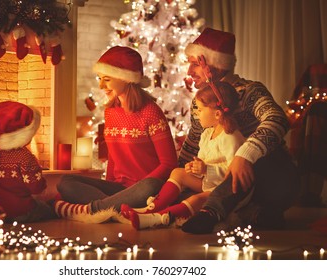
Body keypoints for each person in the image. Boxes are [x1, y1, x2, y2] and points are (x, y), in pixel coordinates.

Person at [178, 28, 300, 234]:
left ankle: (212, 213)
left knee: (247, 165)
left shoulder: (251, 90)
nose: (189, 71)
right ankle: (253, 214)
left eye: (195, 64)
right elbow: (193, 144)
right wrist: (178, 177)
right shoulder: (200, 101)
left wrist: (244, 155)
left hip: (273, 177)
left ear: (215, 64)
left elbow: (277, 119)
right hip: (224, 180)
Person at [54, 46, 178, 223]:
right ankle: (115, 208)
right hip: (119, 189)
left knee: (150, 185)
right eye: (100, 79)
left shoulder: (151, 111)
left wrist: (141, 188)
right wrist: (110, 184)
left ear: (126, 79)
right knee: (65, 182)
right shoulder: (110, 112)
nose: (101, 86)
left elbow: (169, 163)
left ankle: (95, 210)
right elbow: (114, 155)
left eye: (107, 79)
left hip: (147, 189)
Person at [121, 80, 245, 230]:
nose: (197, 114)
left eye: (200, 110)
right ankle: (153, 207)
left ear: (217, 113)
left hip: (223, 190)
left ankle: (157, 218)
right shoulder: (207, 134)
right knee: (177, 173)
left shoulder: (231, 138)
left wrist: (206, 169)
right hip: (208, 182)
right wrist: (195, 167)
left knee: (196, 199)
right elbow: (204, 160)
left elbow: (234, 175)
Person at [0, 101, 56, 223]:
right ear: (24, 135)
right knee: (49, 209)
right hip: (22, 211)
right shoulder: (25, 157)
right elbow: (36, 188)